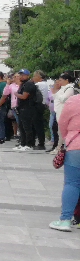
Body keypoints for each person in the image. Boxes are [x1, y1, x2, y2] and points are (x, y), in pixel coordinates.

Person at [51, 89, 80, 231]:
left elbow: (62, 122)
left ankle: (65, 220)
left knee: (72, 183)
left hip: (76, 145)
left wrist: (66, 138)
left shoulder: (74, 100)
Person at [51, 73, 76, 152]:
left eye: (61, 80)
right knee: (59, 131)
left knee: (62, 131)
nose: (60, 82)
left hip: (64, 112)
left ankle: (60, 148)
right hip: (58, 111)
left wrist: (57, 93)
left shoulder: (69, 88)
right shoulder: (62, 88)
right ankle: (59, 147)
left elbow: (63, 99)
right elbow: (55, 97)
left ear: (67, 80)